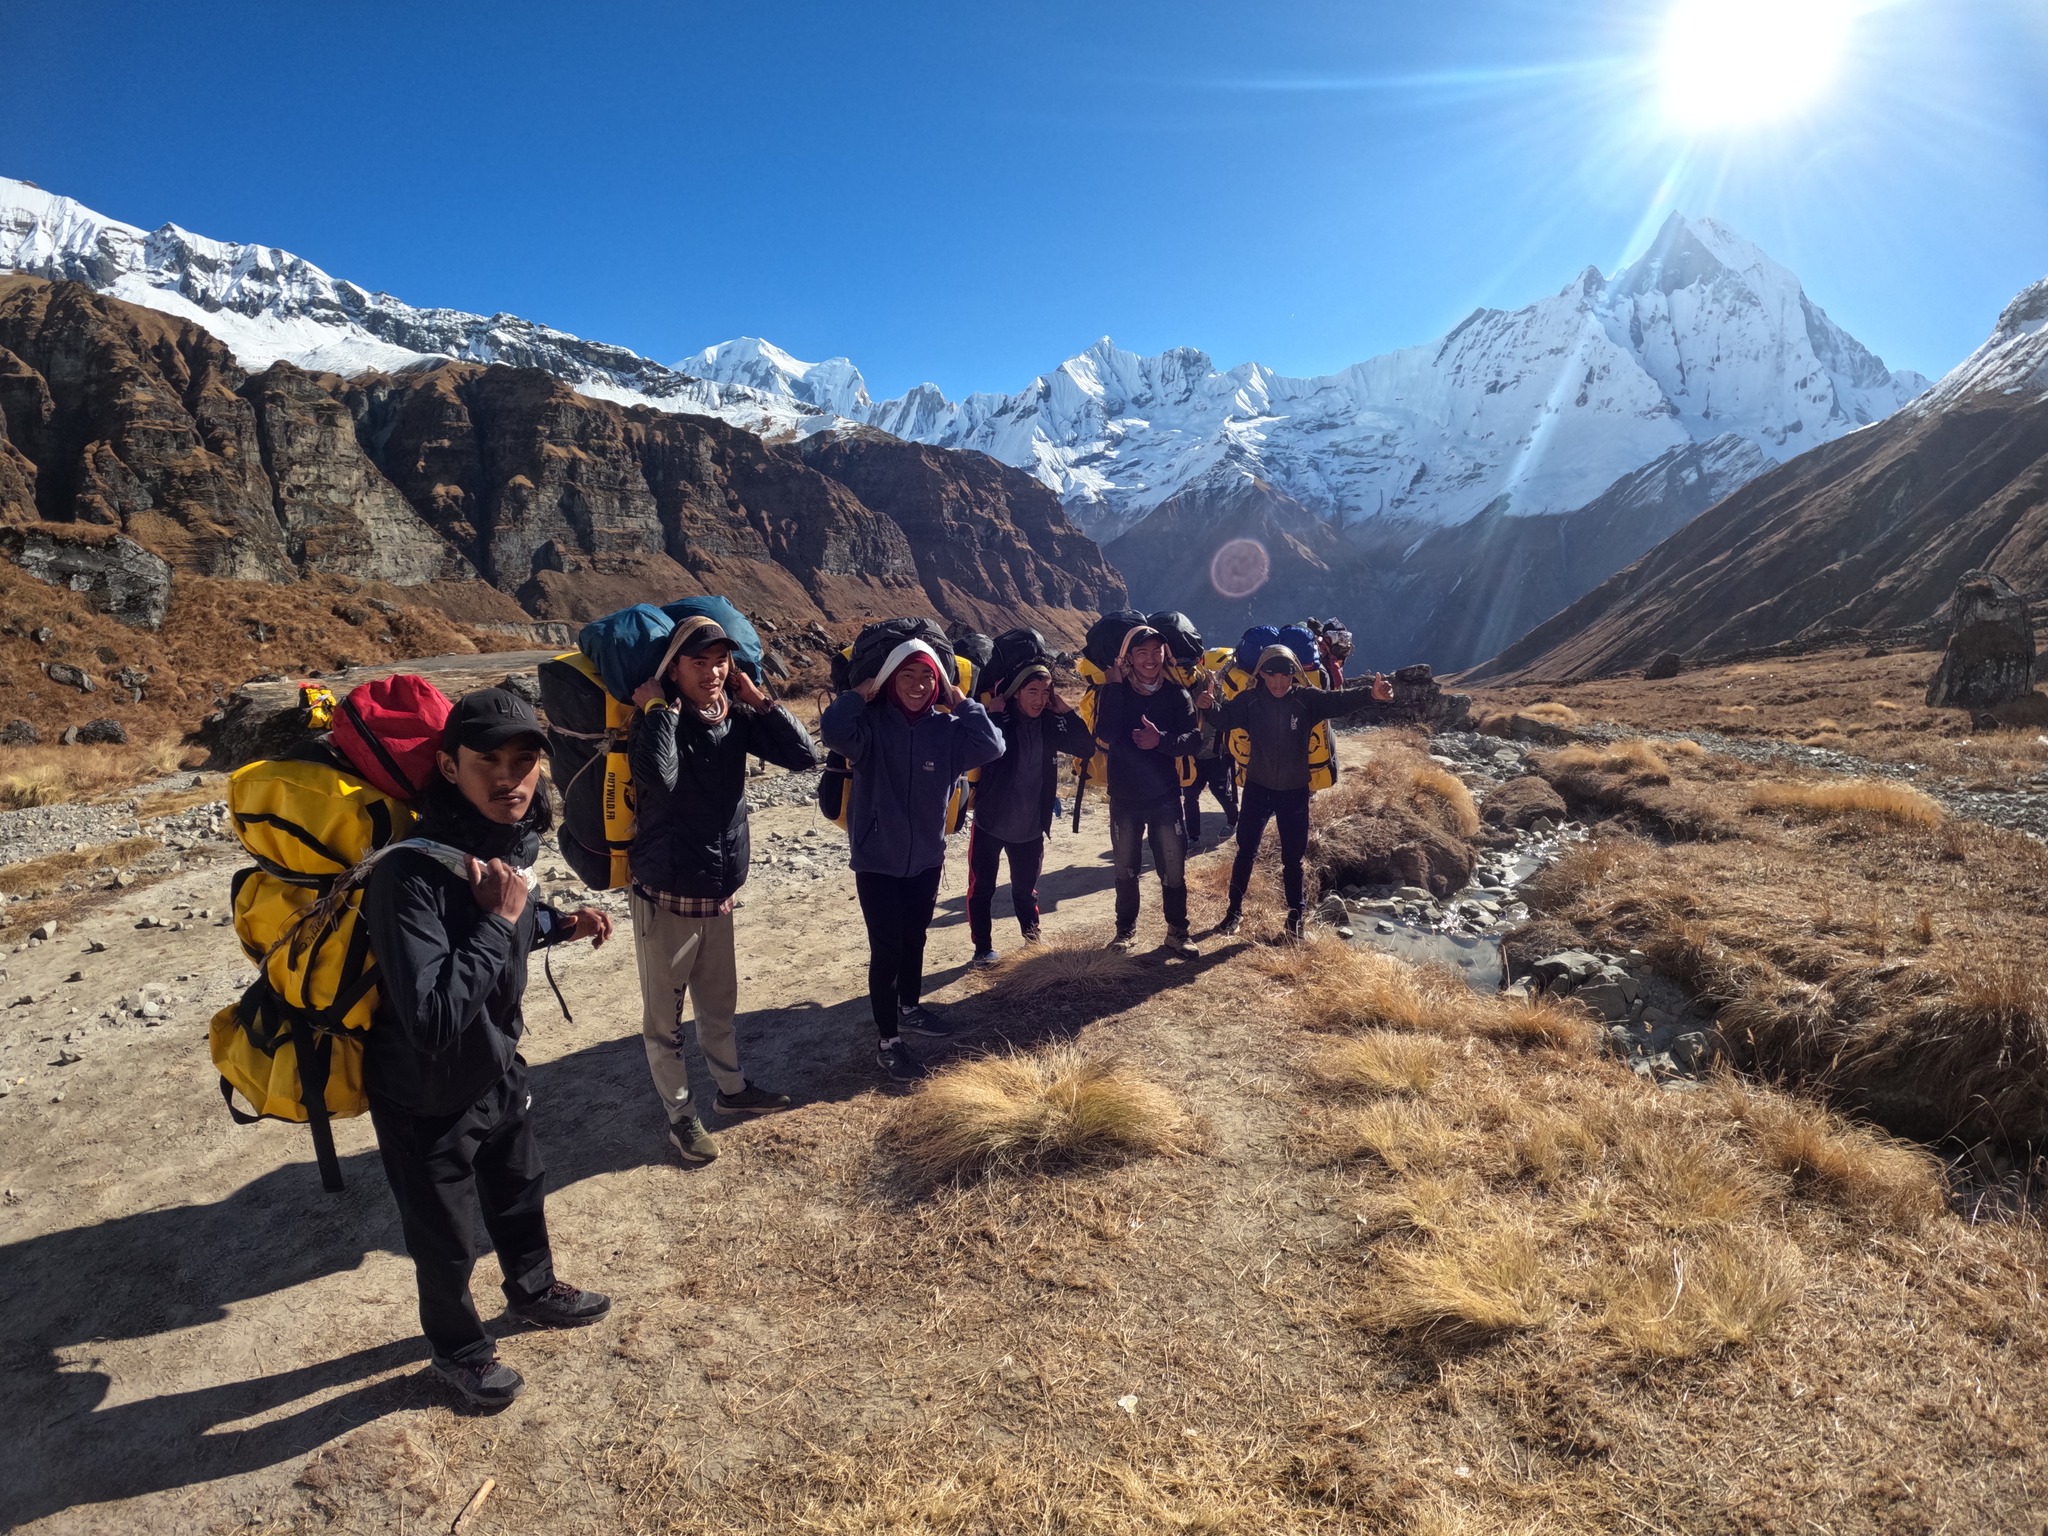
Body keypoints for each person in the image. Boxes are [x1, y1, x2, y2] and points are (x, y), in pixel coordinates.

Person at [362, 687, 616, 1410]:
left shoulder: (505, 848)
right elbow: (433, 1014)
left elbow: (506, 928)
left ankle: (534, 1289)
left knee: (518, 1189)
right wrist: (503, 923)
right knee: (444, 1239)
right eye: (488, 762)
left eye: (525, 760)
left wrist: (557, 925)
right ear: (448, 768)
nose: (510, 777)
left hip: (497, 1065)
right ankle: (458, 1350)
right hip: (423, 1090)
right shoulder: (406, 874)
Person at [628, 615, 819, 1166]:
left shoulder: (733, 716)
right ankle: (680, 1117)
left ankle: (732, 1092)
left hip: (717, 892)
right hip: (665, 895)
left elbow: (804, 758)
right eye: (699, 662)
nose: (713, 672)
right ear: (674, 669)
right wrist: (659, 708)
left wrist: (759, 699)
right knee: (665, 1019)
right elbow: (660, 781)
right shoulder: (653, 721)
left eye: (721, 661)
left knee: (719, 1003)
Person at [821, 639, 1005, 1081]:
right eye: (907, 676)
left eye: (927, 677)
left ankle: (910, 1007)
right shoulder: (870, 727)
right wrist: (858, 693)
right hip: (877, 860)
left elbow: (993, 746)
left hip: (926, 857)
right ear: (889, 681)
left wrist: (961, 702)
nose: (919, 685)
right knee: (887, 949)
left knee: (915, 938)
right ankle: (888, 1041)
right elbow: (832, 732)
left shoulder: (945, 731)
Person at [1216, 646, 1392, 941]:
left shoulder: (1306, 701)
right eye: (1271, 675)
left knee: (1293, 858)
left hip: (1294, 792)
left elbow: (1340, 702)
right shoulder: (1249, 702)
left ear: (1294, 674)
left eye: (1285, 675)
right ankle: (1233, 912)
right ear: (1261, 674)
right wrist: (1207, 705)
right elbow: (1223, 719)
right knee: (1245, 852)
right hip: (1258, 789)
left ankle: (1295, 918)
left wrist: (1371, 695)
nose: (1279, 683)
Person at [966, 662, 1095, 966]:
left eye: (1045, 692)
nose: (1039, 699)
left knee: (1025, 890)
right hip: (990, 821)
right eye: (1032, 691)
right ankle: (982, 948)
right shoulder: (1002, 720)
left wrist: (1062, 707)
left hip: (1030, 824)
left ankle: (1032, 940)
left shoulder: (1049, 723)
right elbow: (987, 750)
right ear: (1016, 694)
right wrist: (996, 713)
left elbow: (1085, 747)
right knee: (982, 887)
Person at [1095, 626, 1205, 956]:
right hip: (1125, 799)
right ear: (1128, 658)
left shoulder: (1176, 695)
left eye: (1156, 652)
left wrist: (1162, 741)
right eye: (1141, 653)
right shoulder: (1114, 692)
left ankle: (1177, 932)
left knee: (1173, 869)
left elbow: (1196, 741)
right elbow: (1106, 734)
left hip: (1165, 799)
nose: (1150, 659)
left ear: (1164, 655)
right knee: (1125, 870)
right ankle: (1125, 933)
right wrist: (1114, 686)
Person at [1184, 675, 1238, 849]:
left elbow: (1226, 716)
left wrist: (1212, 704)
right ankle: (1193, 836)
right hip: (1192, 756)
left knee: (1220, 791)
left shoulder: (1214, 684)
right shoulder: (1178, 685)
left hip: (1216, 754)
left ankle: (1232, 820)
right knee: (1190, 796)